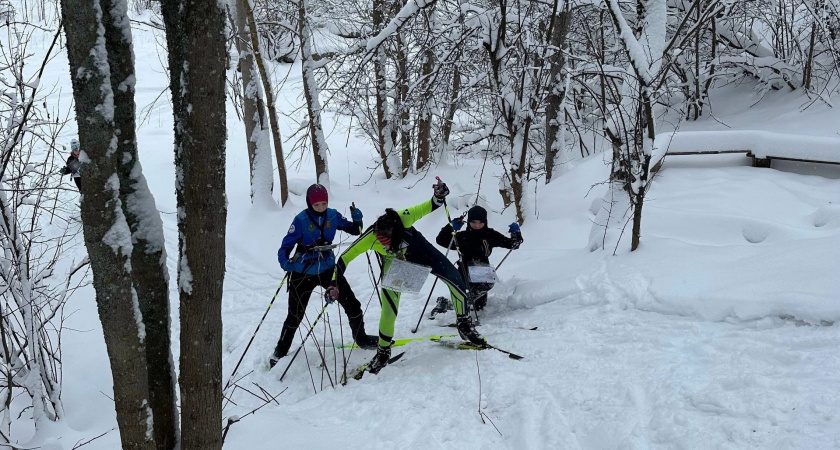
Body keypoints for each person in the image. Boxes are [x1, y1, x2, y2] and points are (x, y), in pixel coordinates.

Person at [327, 180, 485, 374]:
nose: (383, 245)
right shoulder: (370, 236)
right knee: (389, 309)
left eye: (387, 243)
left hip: (422, 252)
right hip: (397, 265)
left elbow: (431, 205)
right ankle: (383, 351)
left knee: (457, 282)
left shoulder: (403, 218)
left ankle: (464, 323)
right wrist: (333, 283)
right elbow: (344, 258)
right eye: (380, 243)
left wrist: (439, 194)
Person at [270, 184, 377, 368]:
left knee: (352, 304)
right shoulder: (301, 220)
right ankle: (280, 351)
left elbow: (355, 230)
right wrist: (286, 263)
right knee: (295, 316)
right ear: (310, 203)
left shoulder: (332, 215)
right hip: (303, 272)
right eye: (317, 204)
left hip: (328, 269)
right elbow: (284, 248)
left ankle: (362, 339)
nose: (321, 208)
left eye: (323, 203)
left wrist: (357, 218)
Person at [434, 205, 523, 312]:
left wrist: (516, 233)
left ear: (485, 222)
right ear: (468, 222)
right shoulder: (462, 236)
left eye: (480, 222)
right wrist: (450, 227)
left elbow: (513, 244)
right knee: (464, 302)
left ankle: (459, 301)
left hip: (482, 270)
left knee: (479, 306)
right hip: (464, 270)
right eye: (473, 222)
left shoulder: (490, 234)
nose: (477, 225)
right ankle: (450, 303)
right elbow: (441, 240)